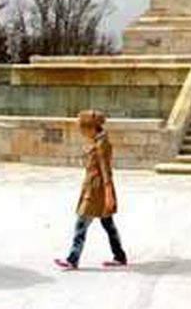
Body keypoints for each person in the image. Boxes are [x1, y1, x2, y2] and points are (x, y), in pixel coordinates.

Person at [55, 109, 127, 269]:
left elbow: (106, 170)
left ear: (91, 128)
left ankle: (72, 259)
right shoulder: (98, 141)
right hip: (93, 188)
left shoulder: (102, 145)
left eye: (83, 128)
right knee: (108, 224)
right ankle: (120, 256)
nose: (81, 132)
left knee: (81, 223)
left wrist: (109, 195)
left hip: (96, 191)